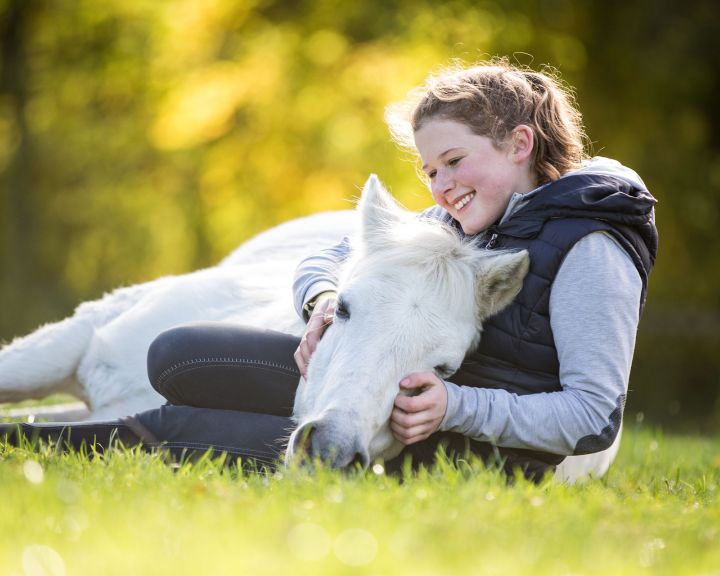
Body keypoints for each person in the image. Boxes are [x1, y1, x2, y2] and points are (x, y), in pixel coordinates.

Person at [1, 58, 657, 481]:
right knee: (177, 356)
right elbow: (334, 252)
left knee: (200, 424)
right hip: (408, 418)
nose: (440, 186)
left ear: (520, 144)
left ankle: (34, 440)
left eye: (454, 161)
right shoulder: (474, 221)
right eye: (430, 170)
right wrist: (322, 298)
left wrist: (457, 404)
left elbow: (595, 417)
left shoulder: (591, 247)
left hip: (478, 447)